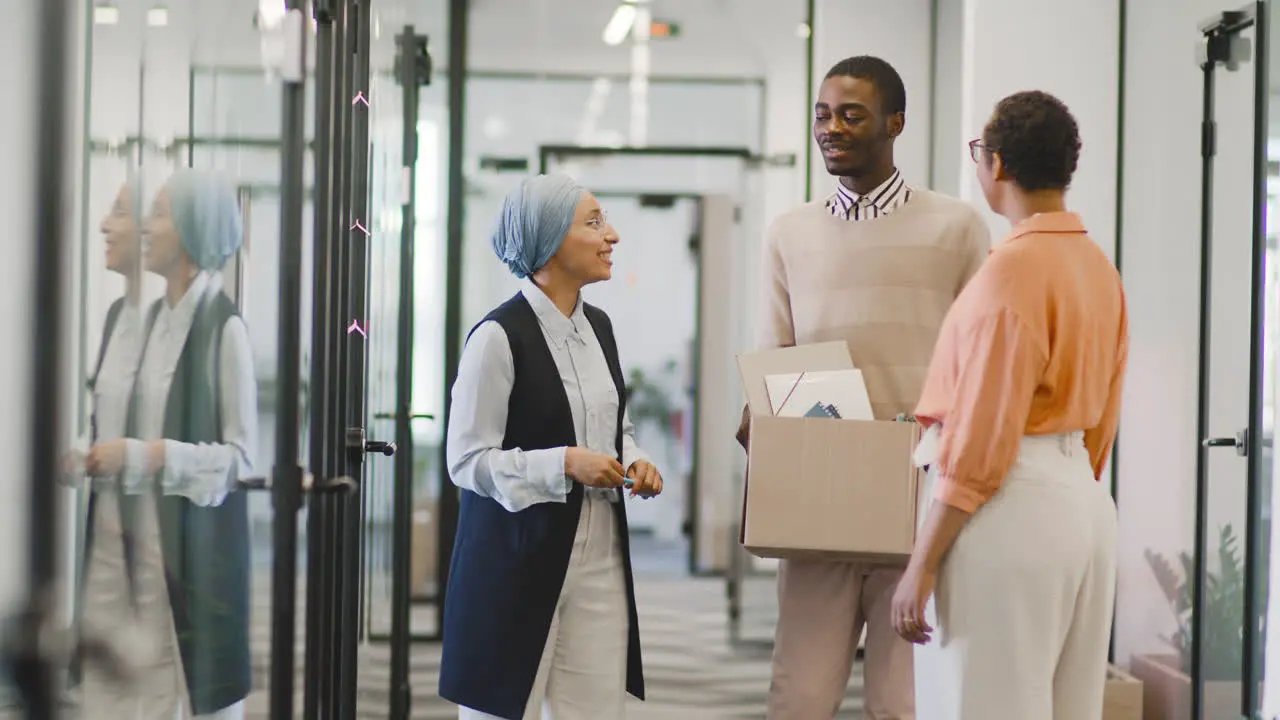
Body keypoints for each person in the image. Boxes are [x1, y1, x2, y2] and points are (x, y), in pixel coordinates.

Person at [738, 55, 990, 719]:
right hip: (820, 503)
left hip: (920, 508)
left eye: (851, 114)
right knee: (799, 697)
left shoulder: (957, 228)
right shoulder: (789, 233)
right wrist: (759, 420)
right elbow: (776, 358)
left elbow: (980, 368)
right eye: (823, 114)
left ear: (894, 123)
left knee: (904, 704)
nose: (832, 127)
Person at [890, 91, 1127, 720]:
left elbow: (982, 435)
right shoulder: (1098, 267)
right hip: (1081, 499)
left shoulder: (1012, 271)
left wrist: (922, 562)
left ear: (996, 164)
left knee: (982, 704)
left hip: (1006, 505)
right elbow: (1105, 413)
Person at [439, 173, 665, 720]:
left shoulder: (601, 329)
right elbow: (466, 461)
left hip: (599, 558)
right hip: (515, 560)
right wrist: (563, 464)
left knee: (593, 710)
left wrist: (633, 457)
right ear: (548, 241)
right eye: (593, 222)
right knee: (500, 709)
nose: (611, 235)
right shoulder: (496, 337)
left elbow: (615, 426)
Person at [83, 168, 258, 719]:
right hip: (129, 546)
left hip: (194, 557)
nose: (143, 229)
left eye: (157, 214)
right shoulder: (148, 319)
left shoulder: (224, 327)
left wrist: (148, 455)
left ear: (189, 229)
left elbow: (242, 461)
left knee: (186, 693)